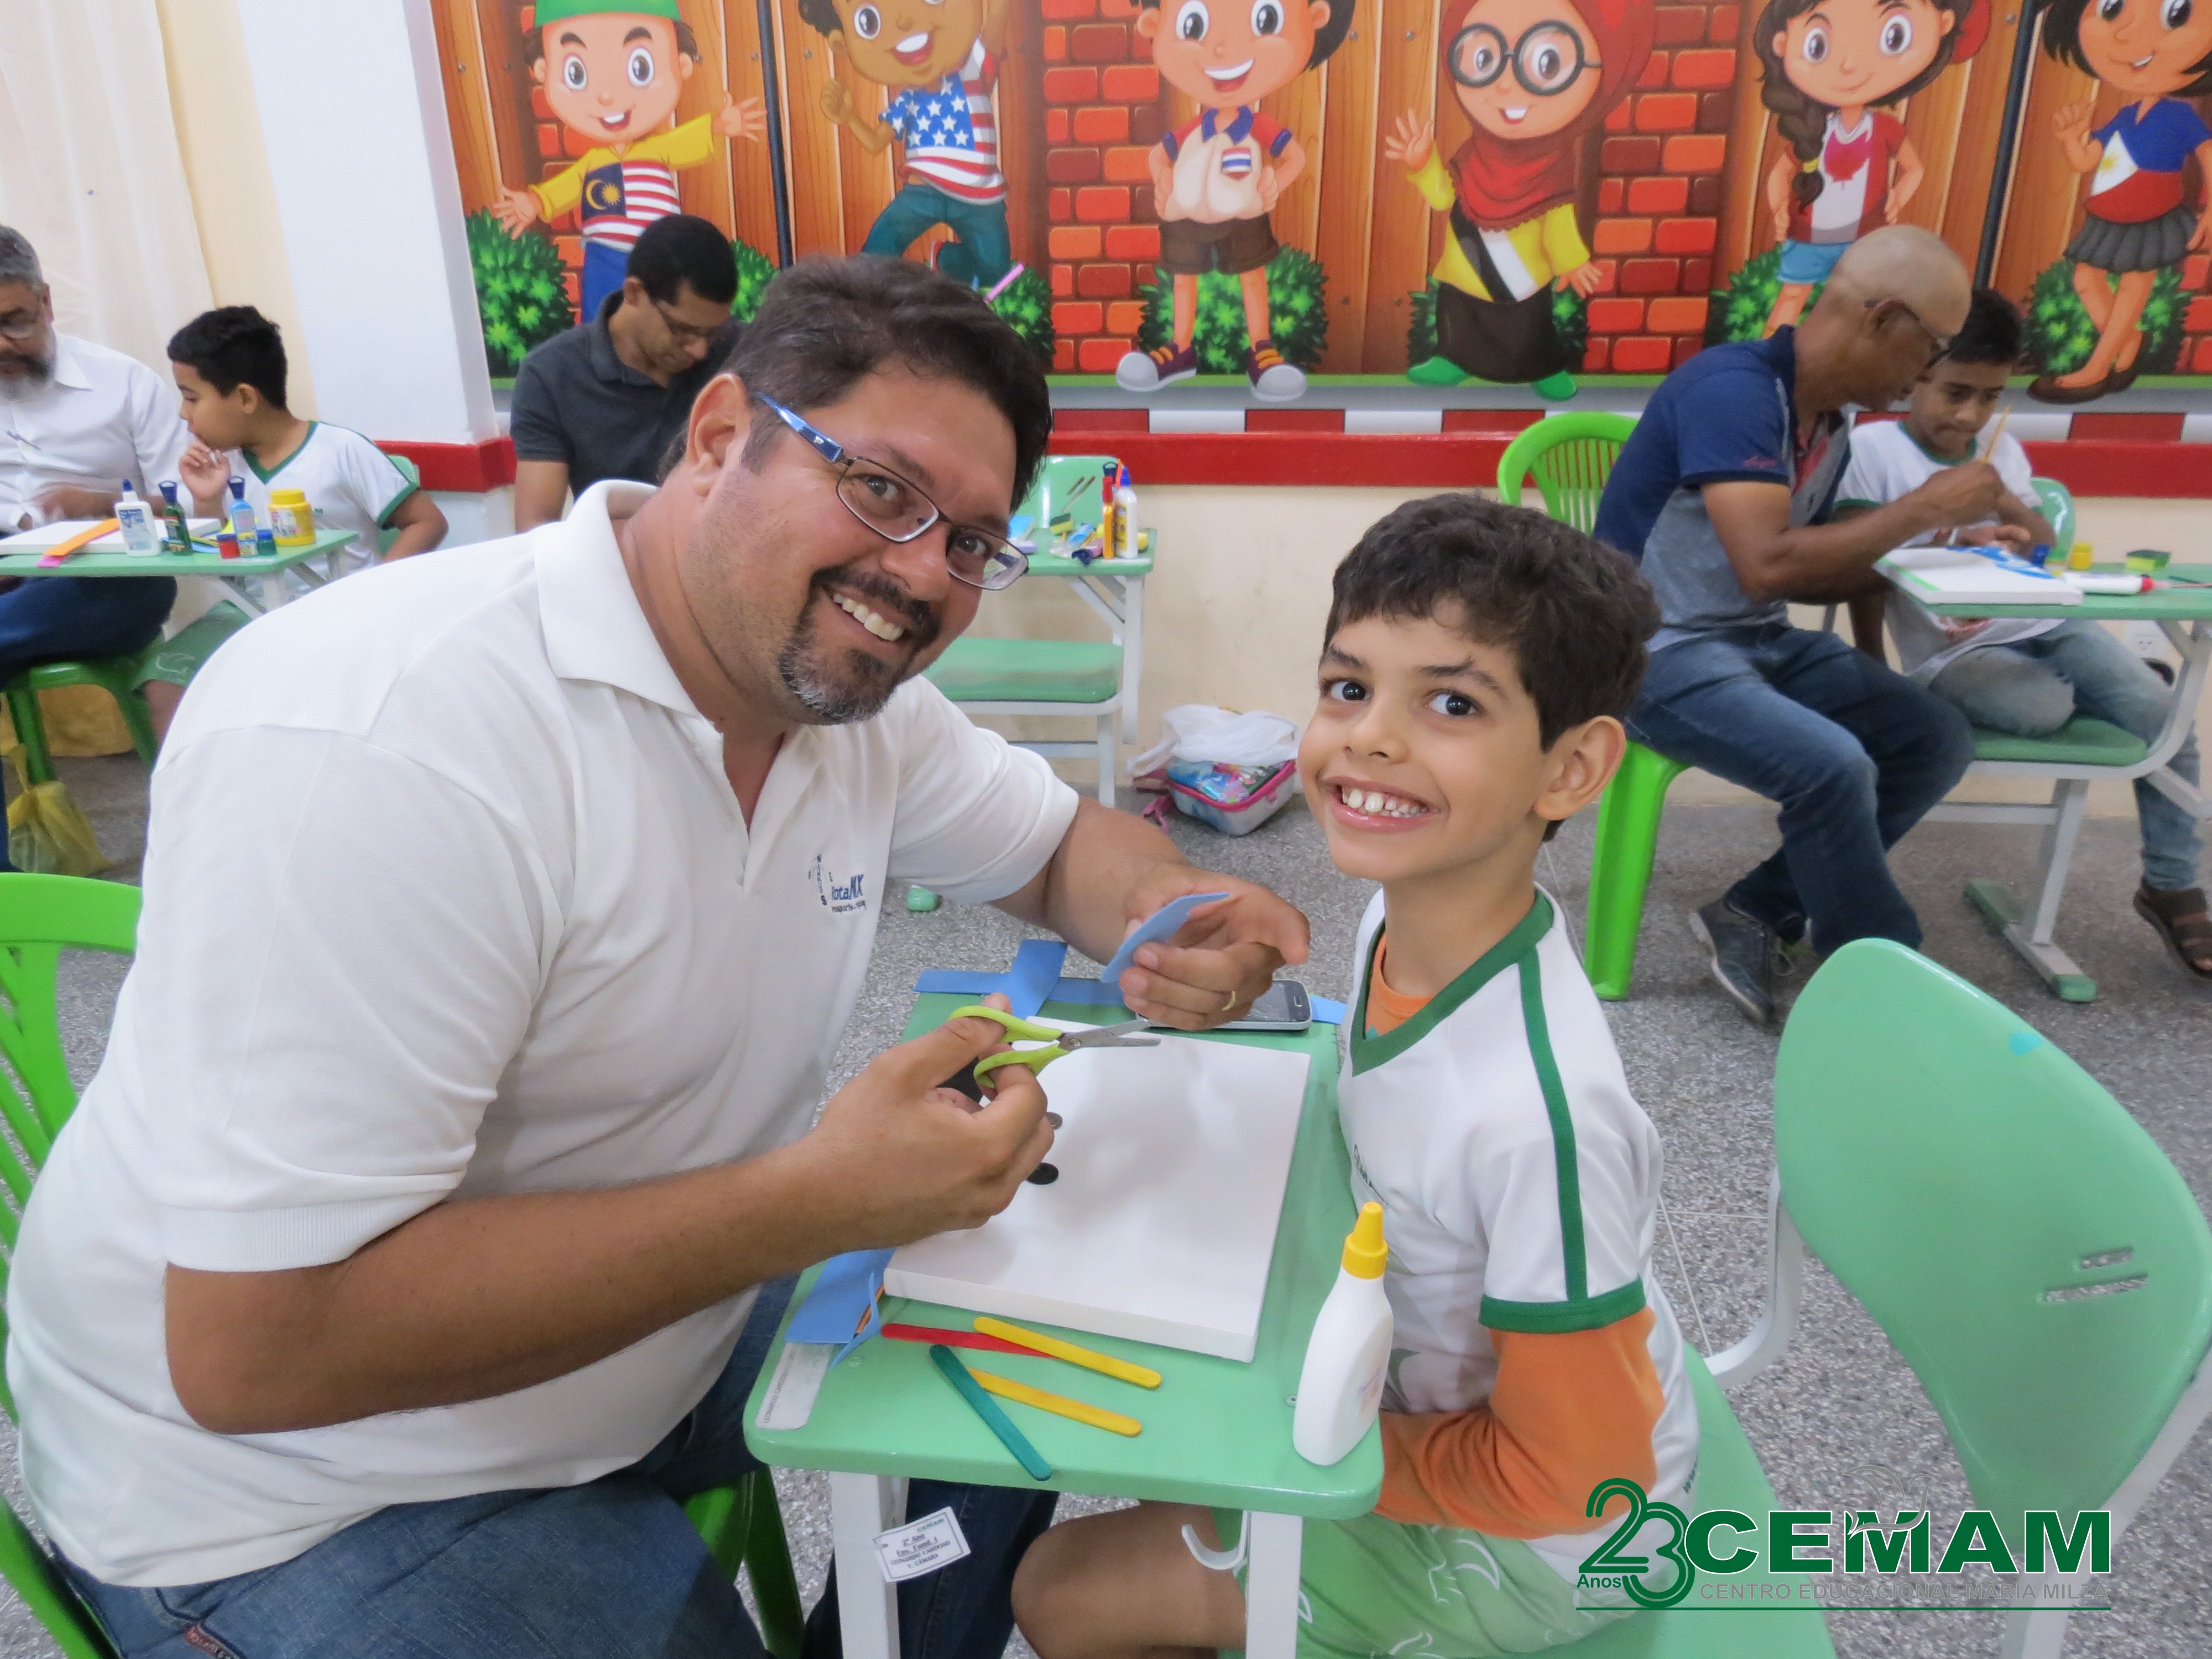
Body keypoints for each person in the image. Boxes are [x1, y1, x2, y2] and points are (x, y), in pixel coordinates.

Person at [8, 255, 1310, 1659]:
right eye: (881, 488)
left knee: (1044, 1357)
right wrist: (817, 1197)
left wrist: (1175, 909)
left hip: (642, 1331)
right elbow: (259, 1349)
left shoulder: (842, 704)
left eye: (974, 542)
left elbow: (1056, 852)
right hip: (298, 1496)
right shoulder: (385, 738)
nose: (922, 571)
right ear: (717, 434)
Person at [1013, 494, 1697, 1658]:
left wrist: (1283, 1448)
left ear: (1571, 767)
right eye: (1347, 687)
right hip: (1438, 1391)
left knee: (1063, 1592)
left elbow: (1580, 1477)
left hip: (1548, 1544)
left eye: (1451, 703)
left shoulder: (1537, 1121)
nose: (1370, 738)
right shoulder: (1404, 913)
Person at [1593, 225, 1996, 1025]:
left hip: (1754, 639)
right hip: (1654, 651)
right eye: (1933, 346)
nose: (1929, 371)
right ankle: (1879, 983)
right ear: (1883, 319)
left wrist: (1941, 548)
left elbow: (1818, 565)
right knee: (1832, 765)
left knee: (1934, 737)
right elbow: (1769, 565)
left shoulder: (1829, 422)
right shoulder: (1734, 391)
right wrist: (1920, 508)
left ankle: (1757, 907)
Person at [1835, 288, 2210, 980]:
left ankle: (2171, 882)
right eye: (1955, 392)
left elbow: (2043, 546)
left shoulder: (1999, 451)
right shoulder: (1871, 450)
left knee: (2164, 716)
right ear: (1916, 375)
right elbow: (1858, 564)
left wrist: (2004, 504)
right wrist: (1872, 663)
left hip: (2045, 623)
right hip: (1954, 650)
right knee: (2042, 706)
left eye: (1989, 397)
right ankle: (2096, 689)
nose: (1969, 415)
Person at [128, 306, 451, 742]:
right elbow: (219, 563)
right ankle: (200, 786)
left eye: (192, 398)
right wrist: (208, 500)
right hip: (247, 613)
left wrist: (373, 593)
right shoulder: (220, 468)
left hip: (337, 611)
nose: (184, 415)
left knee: (311, 688)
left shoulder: (339, 450)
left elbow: (426, 522)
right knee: (166, 683)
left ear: (245, 398)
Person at [0, 225, 189, 869]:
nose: (3, 344)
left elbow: (192, 505)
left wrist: (104, 502)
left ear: (46, 302)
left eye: (15, 322)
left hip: (109, 577)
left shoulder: (122, 382)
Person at [1381, 0, 1653, 398]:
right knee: (1460, 319)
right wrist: (1423, 165)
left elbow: (1557, 221)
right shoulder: (1471, 157)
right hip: (1466, 271)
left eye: (1547, 63)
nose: (1506, 85)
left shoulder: (1553, 170)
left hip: (1525, 281)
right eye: (1484, 58)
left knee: (1529, 329)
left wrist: (1572, 262)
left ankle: (1544, 368)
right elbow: (1443, 198)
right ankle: (1453, 359)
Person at [1112, 0, 1351, 401]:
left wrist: (1274, 184)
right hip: (1189, 213)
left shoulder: (1256, 125)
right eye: (1194, 25)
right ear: (1154, 25)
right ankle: (1179, 350)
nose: (1223, 48)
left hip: (1244, 211)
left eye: (1264, 19)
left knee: (1252, 275)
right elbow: (1158, 157)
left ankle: (1263, 349)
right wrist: (1165, 183)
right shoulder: (1197, 128)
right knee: (1184, 278)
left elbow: (1295, 157)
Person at [491, 0, 763, 325]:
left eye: (640, 66)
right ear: (542, 72)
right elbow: (563, 188)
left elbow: (687, 140)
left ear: (682, 63)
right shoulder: (592, 164)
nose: (607, 95)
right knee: (602, 312)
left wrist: (719, 126)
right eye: (577, 73)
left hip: (660, 252)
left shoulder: (657, 150)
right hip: (604, 254)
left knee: (665, 311)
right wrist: (535, 202)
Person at [1751, 0, 1984, 334]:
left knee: (1859, 313)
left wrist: (1899, 196)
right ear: (1783, 44)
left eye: (1893, 36)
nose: (1849, 65)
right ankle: (1766, 357)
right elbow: (1780, 171)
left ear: (1943, 24)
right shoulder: (1812, 128)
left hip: (1864, 240)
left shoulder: (1885, 128)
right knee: (1791, 298)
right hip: (1808, 237)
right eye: (1819, 45)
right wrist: (1778, 209)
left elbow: (1914, 169)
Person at [510, 213, 742, 532]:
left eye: (712, 333)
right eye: (682, 331)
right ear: (634, 293)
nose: (700, 350)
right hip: (618, 553)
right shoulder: (550, 374)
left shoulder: (743, 353)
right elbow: (536, 527)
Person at [2030, 0, 2212, 402]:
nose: (2130, 33)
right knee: (2085, 279)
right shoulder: (2124, 116)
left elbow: (2207, 154)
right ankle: (2130, 341)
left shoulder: (2179, 116)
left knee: (2134, 289)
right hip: (2110, 212)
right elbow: (2085, 162)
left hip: (2154, 213)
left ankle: (2098, 367)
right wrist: (2071, 139)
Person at [801, 0, 1016, 290]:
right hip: (922, 192)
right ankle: (859, 299)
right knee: (877, 252)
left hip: (979, 198)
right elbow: (876, 141)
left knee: (995, 270)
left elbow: (997, 18)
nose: (903, 22)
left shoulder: (973, 70)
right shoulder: (909, 98)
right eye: (870, 20)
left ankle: (946, 260)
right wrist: (849, 118)